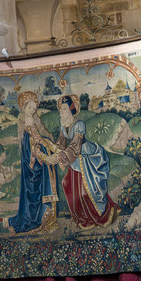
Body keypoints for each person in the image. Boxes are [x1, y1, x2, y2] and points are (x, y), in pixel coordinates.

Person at [6, 90, 59, 234]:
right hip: (31, 166)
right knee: (31, 193)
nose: (32, 110)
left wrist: (52, 146)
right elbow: (29, 149)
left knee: (38, 192)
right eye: (30, 107)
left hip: (39, 165)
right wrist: (45, 157)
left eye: (34, 108)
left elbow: (42, 138)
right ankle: (29, 221)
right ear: (23, 107)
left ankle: (39, 220)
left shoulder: (35, 122)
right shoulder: (23, 125)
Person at [57, 94, 114, 226]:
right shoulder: (63, 125)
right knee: (67, 183)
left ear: (71, 110)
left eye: (64, 110)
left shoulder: (79, 124)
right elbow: (60, 143)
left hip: (86, 157)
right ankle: (81, 216)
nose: (61, 112)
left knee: (86, 188)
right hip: (74, 157)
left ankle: (95, 216)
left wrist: (62, 156)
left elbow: (76, 144)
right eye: (60, 110)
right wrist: (52, 150)